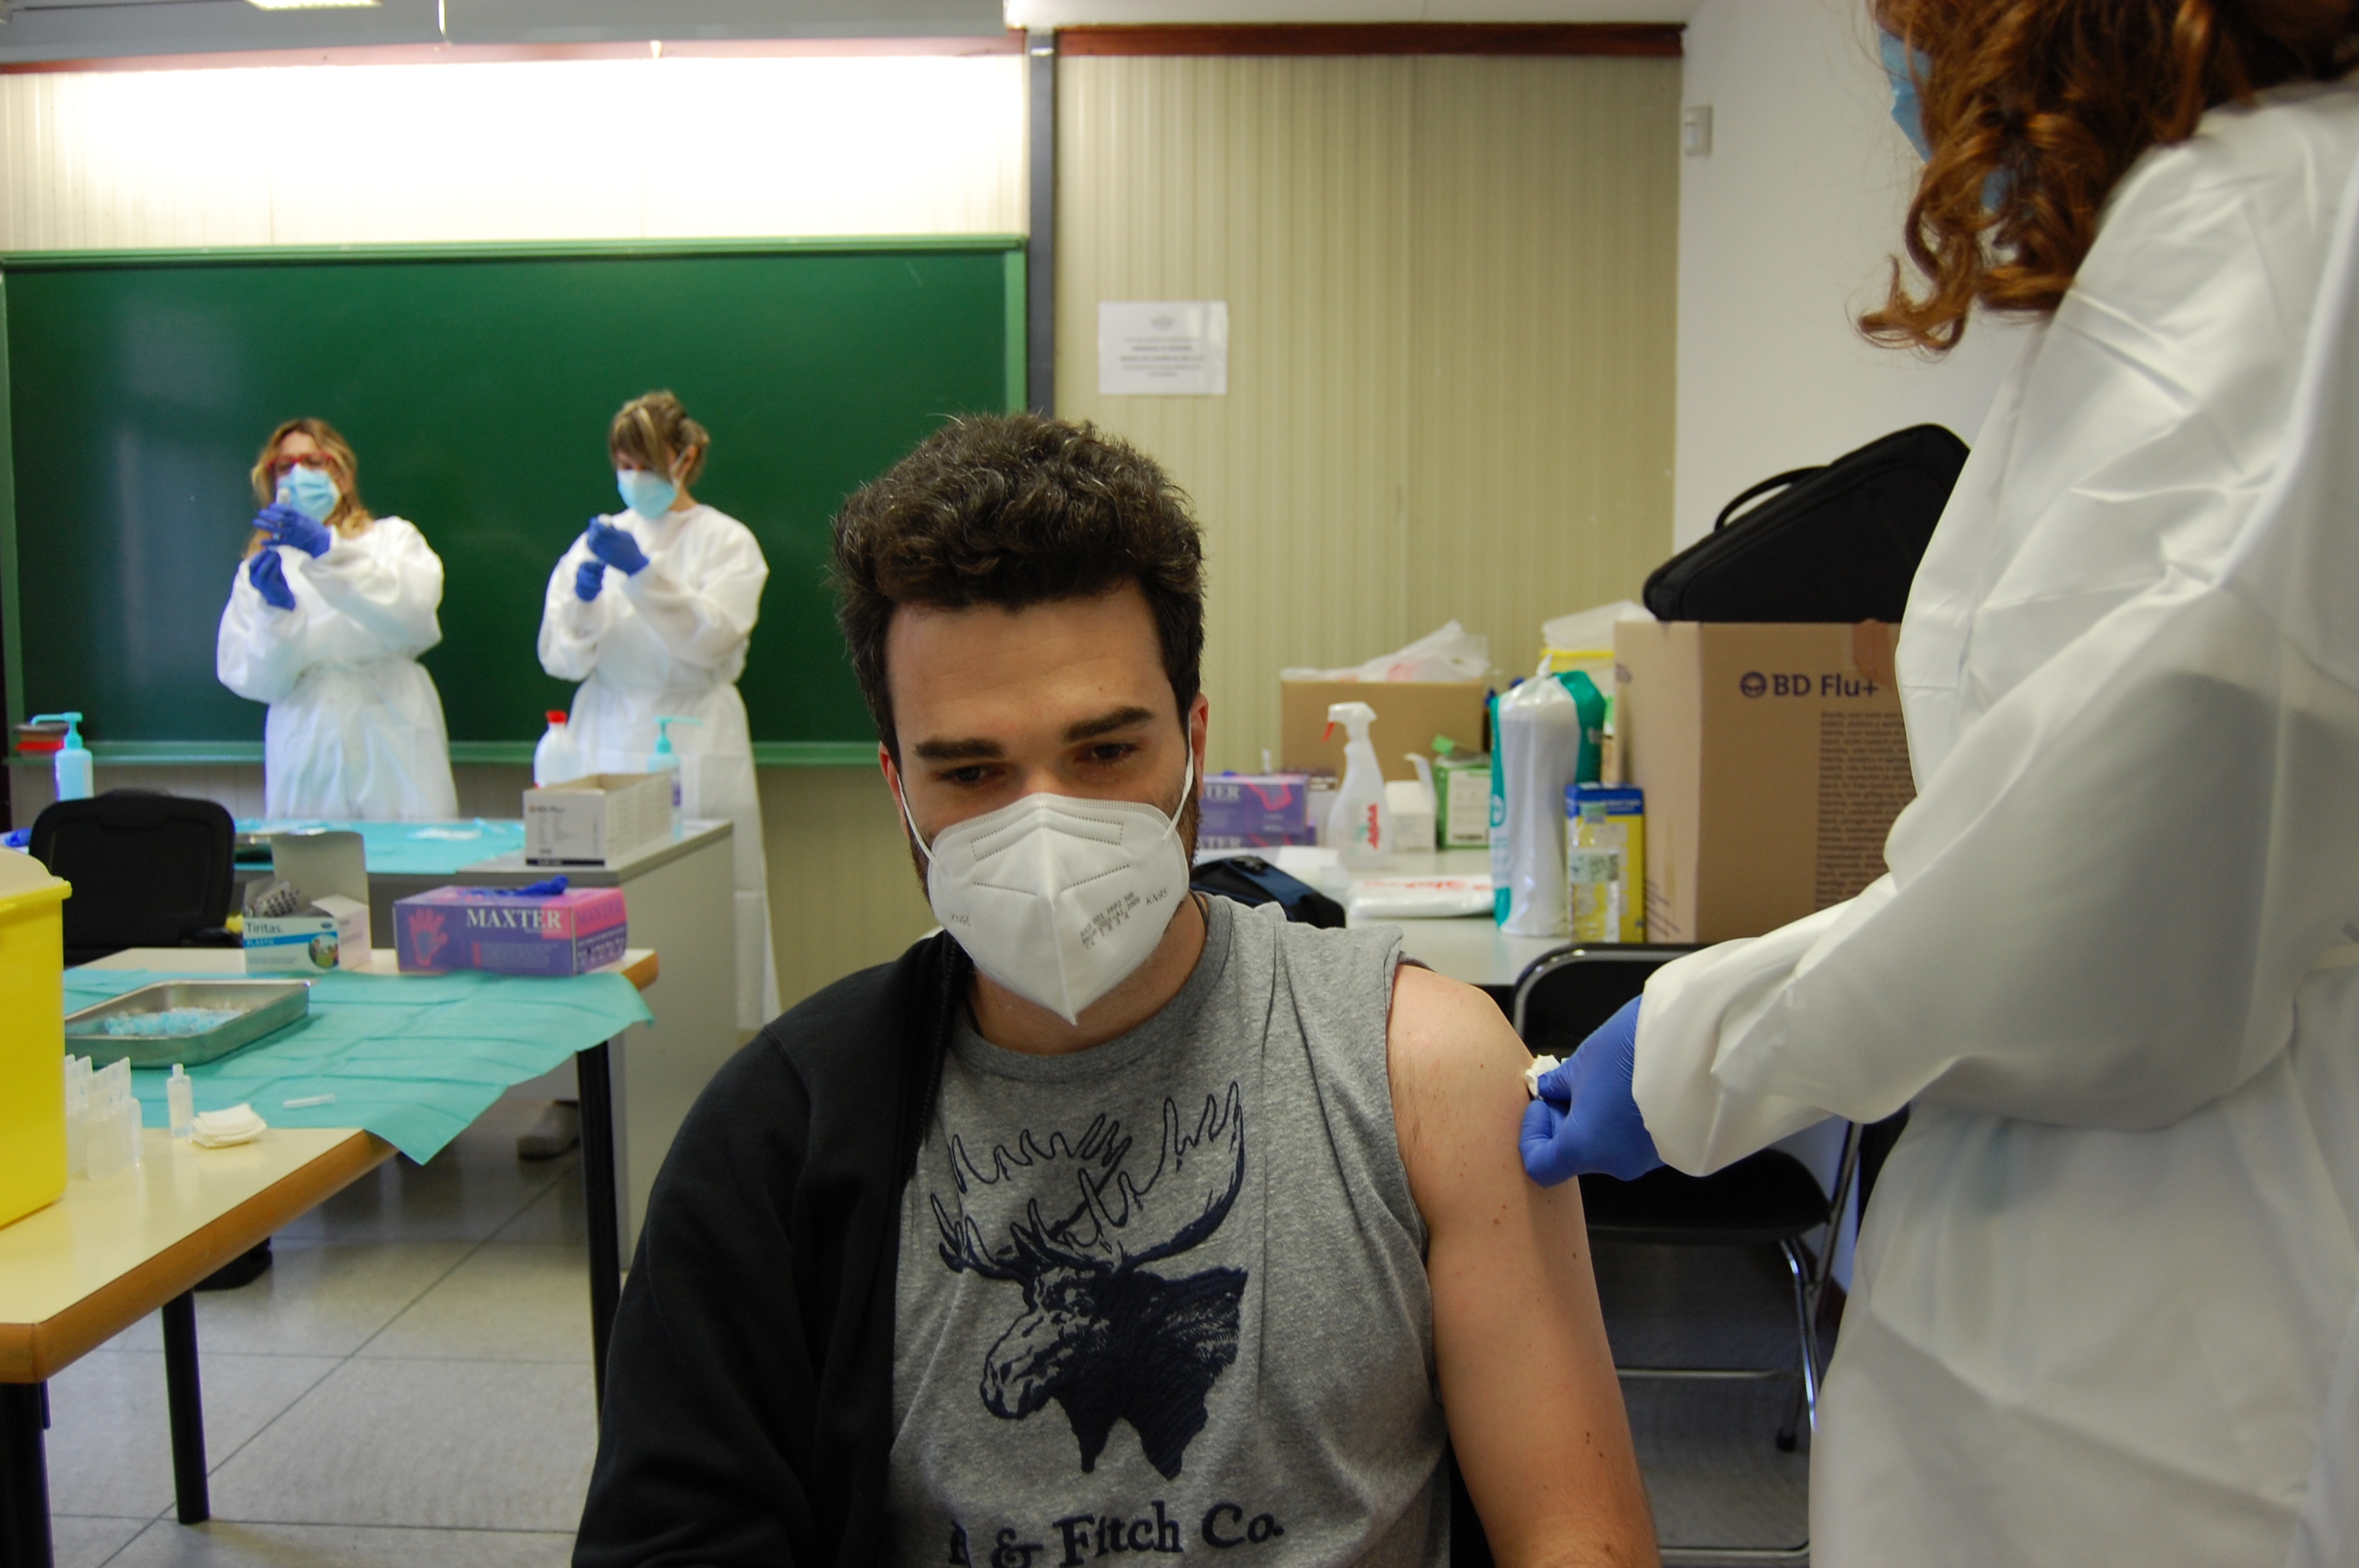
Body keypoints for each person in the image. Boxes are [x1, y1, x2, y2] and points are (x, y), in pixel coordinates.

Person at [1521, 5, 2359, 1564]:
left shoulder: (2247, 231)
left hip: (2170, 1329)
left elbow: (2100, 897)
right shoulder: (2273, 218)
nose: (1906, 75)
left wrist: (1701, 1047)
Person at [574, 415, 1657, 1568]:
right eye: (973, 770)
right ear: (898, 786)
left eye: (1104, 755)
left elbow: (1575, 1533)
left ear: (1195, 742)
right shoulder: (772, 1140)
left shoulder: (1421, 1072)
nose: (1045, 830)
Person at [537, 390, 778, 1032]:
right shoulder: (596, 542)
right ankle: (587, 1066)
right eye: (624, 463)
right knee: (600, 904)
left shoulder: (727, 543)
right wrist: (585, 603)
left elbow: (711, 640)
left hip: (697, 735)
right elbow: (560, 658)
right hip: (605, 732)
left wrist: (644, 576)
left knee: (704, 901)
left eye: (646, 463)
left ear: (685, 456)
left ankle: (708, 1053)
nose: (633, 478)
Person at [216, 417, 458, 821]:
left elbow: (413, 612)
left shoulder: (392, 540)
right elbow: (251, 678)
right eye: (284, 465)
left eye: (314, 461)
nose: (297, 474)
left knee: (414, 870)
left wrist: (326, 551)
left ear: (344, 476)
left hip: (392, 729)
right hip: (307, 739)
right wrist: (277, 615)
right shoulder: (260, 569)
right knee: (315, 873)